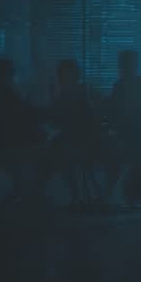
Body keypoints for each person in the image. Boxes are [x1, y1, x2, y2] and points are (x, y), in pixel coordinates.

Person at [44, 58, 101, 203]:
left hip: (89, 138)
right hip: (70, 138)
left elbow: (96, 114)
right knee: (55, 152)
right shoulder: (62, 94)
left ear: (75, 75)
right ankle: (77, 195)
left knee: (61, 152)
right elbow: (55, 121)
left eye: (65, 75)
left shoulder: (86, 91)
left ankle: (86, 195)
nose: (63, 79)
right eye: (61, 76)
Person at [104, 50, 141, 205]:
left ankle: (123, 195)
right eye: (124, 65)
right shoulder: (121, 87)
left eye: (128, 65)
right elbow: (113, 114)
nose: (125, 68)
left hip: (140, 140)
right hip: (130, 139)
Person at [0, 58, 41, 198]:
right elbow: (16, 112)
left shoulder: (0, 89)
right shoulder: (0, 90)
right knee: (38, 145)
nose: (13, 73)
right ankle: (24, 192)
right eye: (10, 71)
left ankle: (23, 191)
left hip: (7, 136)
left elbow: (20, 110)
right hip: (7, 138)